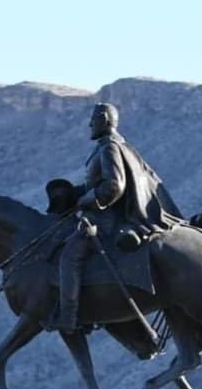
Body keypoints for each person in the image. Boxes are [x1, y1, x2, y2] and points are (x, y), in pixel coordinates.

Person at [47, 102, 182, 333]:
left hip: (106, 218)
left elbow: (114, 186)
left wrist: (84, 201)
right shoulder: (115, 145)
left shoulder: (109, 147)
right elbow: (97, 183)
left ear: (104, 120)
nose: (89, 124)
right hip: (107, 212)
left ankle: (69, 318)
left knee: (69, 256)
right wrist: (72, 194)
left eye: (93, 119)